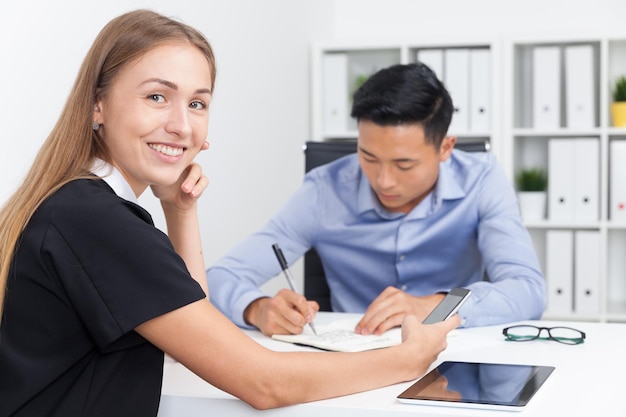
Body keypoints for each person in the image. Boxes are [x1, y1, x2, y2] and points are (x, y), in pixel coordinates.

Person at [0, 10, 459, 417]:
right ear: (97, 105)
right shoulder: (98, 221)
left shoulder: (78, 202)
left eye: (197, 103)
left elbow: (188, 336)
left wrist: (179, 209)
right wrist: (409, 359)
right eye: (157, 97)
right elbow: (263, 383)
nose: (182, 125)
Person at [207, 62, 546, 337]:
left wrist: (434, 305)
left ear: (445, 148)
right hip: (351, 354)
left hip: (453, 353)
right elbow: (220, 276)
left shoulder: (481, 179)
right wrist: (256, 307)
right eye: (368, 157)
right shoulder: (324, 191)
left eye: (404, 164)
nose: (383, 181)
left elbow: (527, 289)